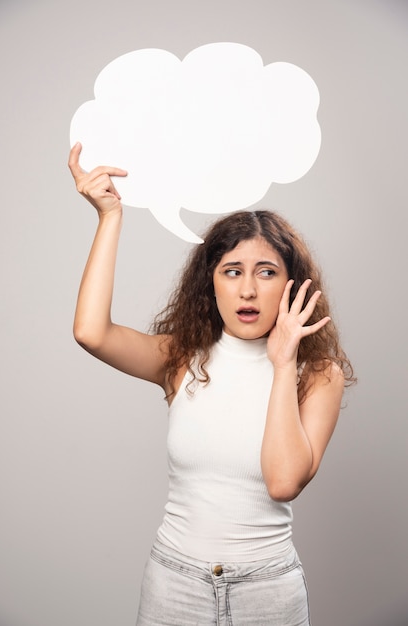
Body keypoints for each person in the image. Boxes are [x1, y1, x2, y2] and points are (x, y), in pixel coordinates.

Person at [69, 142, 355, 625]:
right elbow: (90, 332)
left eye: (266, 272)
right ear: (212, 283)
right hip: (174, 587)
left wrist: (283, 362)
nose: (248, 289)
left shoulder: (318, 374)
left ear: (292, 285)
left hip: (268, 593)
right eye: (232, 272)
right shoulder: (182, 358)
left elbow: (284, 482)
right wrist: (110, 218)